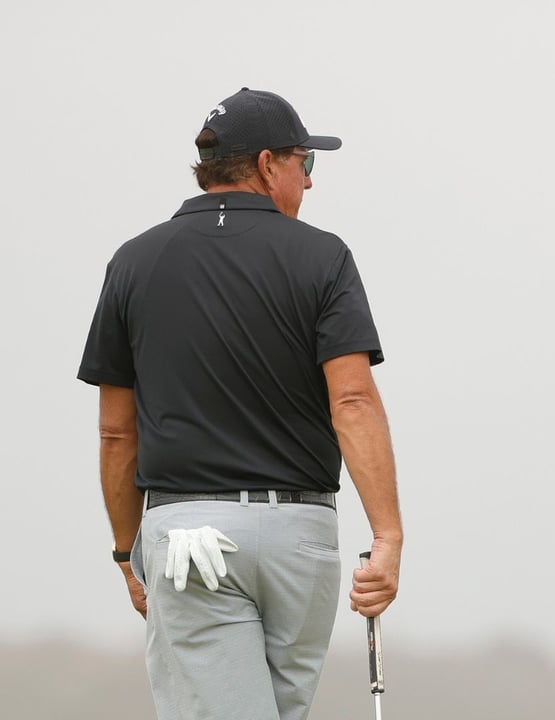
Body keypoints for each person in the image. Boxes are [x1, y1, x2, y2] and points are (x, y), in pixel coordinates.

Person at [78, 87, 403, 720]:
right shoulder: (324, 256)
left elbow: (117, 435)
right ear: (265, 165)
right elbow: (355, 402)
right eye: (304, 164)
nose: (309, 183)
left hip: (190, 537)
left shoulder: (134, 262)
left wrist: (126, 552)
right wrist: (387, 534)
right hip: (302, 537)